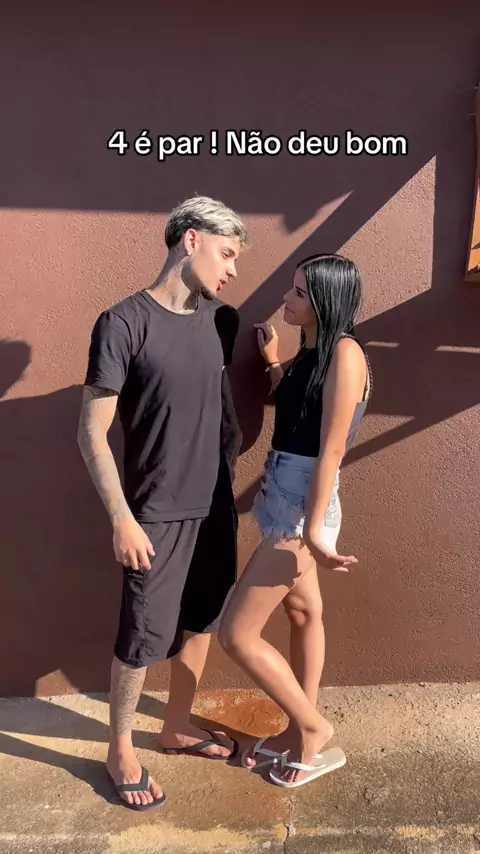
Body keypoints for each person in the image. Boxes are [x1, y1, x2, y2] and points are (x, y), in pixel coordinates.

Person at [77, 196, 247, 810]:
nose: (232, 270)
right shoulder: (122, 323)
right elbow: (91, 431)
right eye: (226, 254)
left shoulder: (223, 321)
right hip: (156, 510)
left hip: (215, 503)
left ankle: (175, 726)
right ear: (190, 240)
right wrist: (121, 517)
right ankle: (120, 747)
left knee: (202, 616)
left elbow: (219, 407)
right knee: (142, 634)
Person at [219, 253, 373, 789]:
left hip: (304, 502)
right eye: (291, 288)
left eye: (300, 293)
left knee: (236, 634)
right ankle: (298, 730)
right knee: (304, 613)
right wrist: (273, 363)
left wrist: (311, 529)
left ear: (327, 301)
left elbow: (331, 449)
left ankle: (313, 728)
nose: (287, 299)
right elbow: (301, 410)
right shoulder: (314, 350)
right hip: (282, 489)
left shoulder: (346, 354)